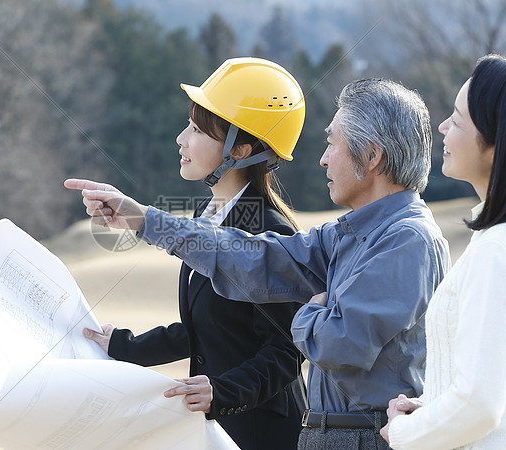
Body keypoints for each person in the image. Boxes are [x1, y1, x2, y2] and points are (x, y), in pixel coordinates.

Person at [66, 77, 451, 450]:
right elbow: (254, 260)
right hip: (330, 433)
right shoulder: (346, 233)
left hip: (360, 437)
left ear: (372, 157)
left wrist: (309, 314)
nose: (322, 159)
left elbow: (339, 344)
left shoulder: (406, 240)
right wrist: (143, 219)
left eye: (332, 144)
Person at [81, 57, 309, 450]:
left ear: (240, 149)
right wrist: (124, 346)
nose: (181, 139)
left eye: (198, 130)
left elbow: (287, 351)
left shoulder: (271, 232)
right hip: (216, 430)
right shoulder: (207, 216)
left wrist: (223, 392)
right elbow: (208, 329)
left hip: (264, 434)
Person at [380, 55, 506, 449]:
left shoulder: (502, 250)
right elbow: (505, 387)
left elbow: (479, 404)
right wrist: (432, 408)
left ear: (497, 143)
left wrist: (404, 433)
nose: (442, 127)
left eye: (456, 120)